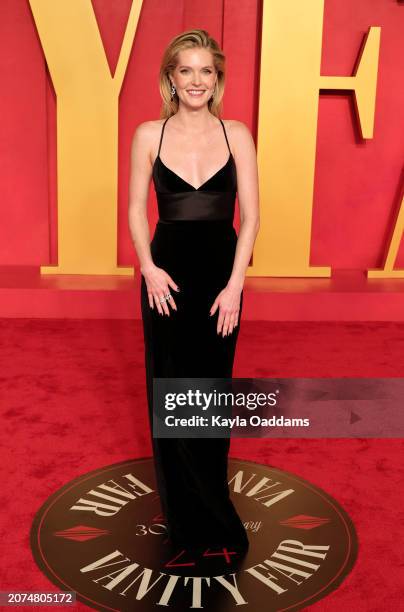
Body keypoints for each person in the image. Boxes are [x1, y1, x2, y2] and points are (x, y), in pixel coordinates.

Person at [128, 29, 259, 555]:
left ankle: (213, 503)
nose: (197, 80)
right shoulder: (148, 135)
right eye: (187, 70)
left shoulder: (237, 135)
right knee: (170, 388)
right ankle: (183, 514)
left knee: (211, 390)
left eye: (206, 71)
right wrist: (148, 269)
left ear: (217, 79)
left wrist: (235, 286)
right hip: (167, 276)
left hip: (220, 280)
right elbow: (137, 209)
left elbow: (250, 217)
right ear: (171, 78)